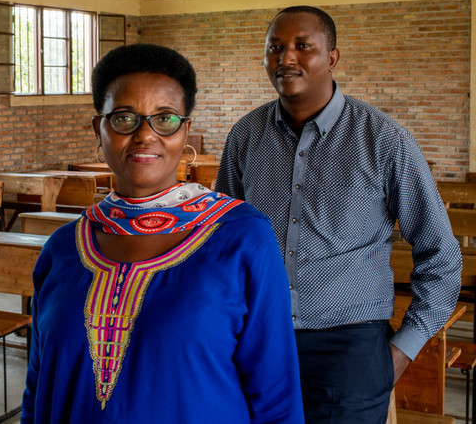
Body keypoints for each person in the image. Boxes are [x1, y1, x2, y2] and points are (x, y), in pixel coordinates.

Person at [21, 43, 304, 423]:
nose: (145, 135)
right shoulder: (63, 249)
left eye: (165, 118)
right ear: (98, 129)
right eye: (124, 118)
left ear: (185, 130)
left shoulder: (241, 238)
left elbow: (276, 394)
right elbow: (38, 387)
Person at [216, 6, 462, 423]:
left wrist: (403, 349)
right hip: (258, 335)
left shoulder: (384, 140)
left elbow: (441, 254)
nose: (285, 58)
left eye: (302, 46)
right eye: (275, 48)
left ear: (332, 57)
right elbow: (222, 239)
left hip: (348, 347)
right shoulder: (245, 135)